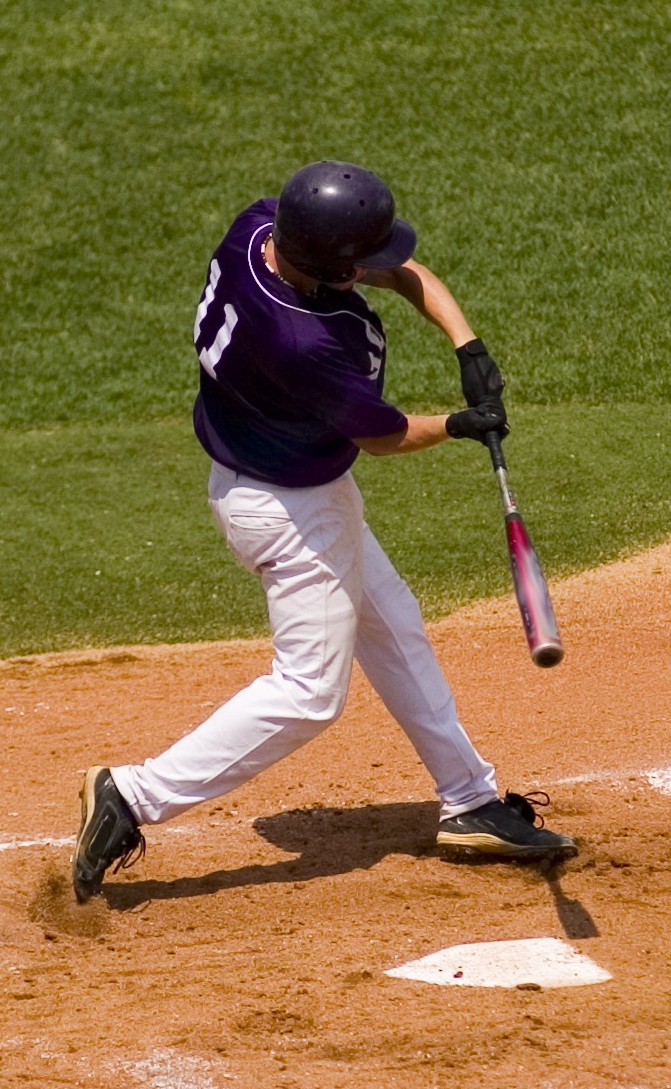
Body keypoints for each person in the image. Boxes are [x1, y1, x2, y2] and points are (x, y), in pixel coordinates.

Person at [73, 161, 575, 903]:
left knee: (394, 625)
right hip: (290, 510)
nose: (376, 265)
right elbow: (386, 436)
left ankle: (470, 799)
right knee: (310, 692)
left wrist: (468, 347)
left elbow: (400, 271)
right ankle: (132, 795)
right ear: (327, 267)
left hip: (279, 483)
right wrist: (461, 425)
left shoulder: (260, 230)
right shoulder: (301, 344)